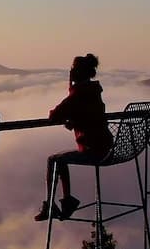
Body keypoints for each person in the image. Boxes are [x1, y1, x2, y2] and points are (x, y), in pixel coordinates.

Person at [35, 53, 114, 222]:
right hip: (106, 146)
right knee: (59, 159)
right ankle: (66, 200)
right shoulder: (93, 91)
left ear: (75, 73)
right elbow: (89, 115)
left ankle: (55, 203)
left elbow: (54, 115)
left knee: (54, 160)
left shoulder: (79, 94)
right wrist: (76, 121)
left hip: (94, 150)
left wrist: (71, 89)